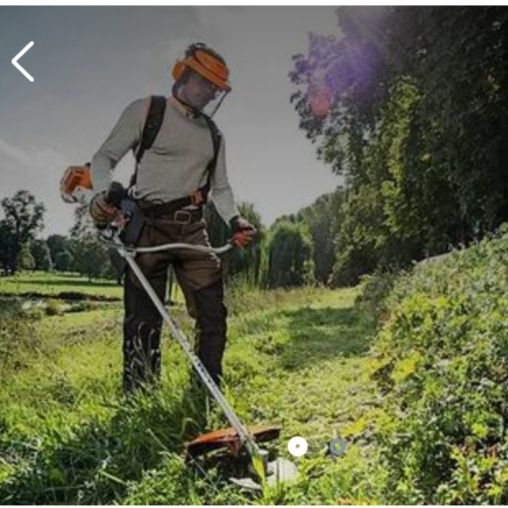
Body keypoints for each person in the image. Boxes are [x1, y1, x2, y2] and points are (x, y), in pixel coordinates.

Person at [88, 42, 255, 393]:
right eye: (205, 83)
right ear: (184, 74)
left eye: (215, 88)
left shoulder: (213, 134)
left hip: (193, 231)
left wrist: (235, 220)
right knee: (143, 322)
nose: (210, 93)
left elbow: (221, 188)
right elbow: (103, 158)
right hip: (146, 228)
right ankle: (141, 396)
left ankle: (206, 391)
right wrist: (104, 193)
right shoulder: (148, 111)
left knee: (213, 314)